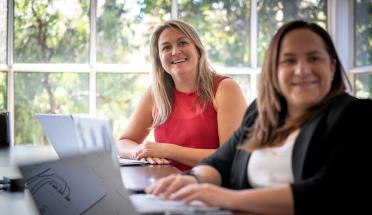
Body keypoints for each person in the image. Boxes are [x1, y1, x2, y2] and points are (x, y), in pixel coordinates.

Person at [146, 20, 372, 214]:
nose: (302, 69)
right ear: (274, 70)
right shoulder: (261, 112)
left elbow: (325, 193)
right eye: (289, 60)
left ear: (332, 66)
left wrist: (225, 198)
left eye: (314, 59)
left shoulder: (356, 115)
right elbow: (222, 161)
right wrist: (192, 180)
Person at [117, 20, 247, 171]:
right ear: (159, 59)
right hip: (167, 184)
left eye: (182, 43)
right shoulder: (155, 93)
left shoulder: (225, 88)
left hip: (214, 187)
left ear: (198, 50)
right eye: (166, 47)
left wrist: (167, 151)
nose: (175, 51)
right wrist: (139, 151)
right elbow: (123, 142)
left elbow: (231, 157)